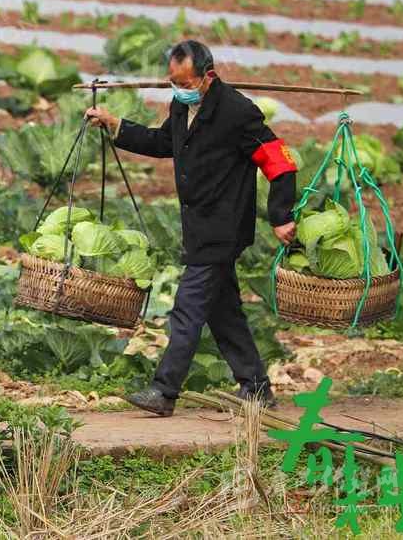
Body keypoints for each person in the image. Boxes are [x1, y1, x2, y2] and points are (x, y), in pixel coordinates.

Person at [85, 40, 297, 416]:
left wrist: (281, 215)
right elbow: (163, 142)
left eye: (184, 82)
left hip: (224, 226)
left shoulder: (237, 111)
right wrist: (116, 125)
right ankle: (257, 387)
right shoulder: (181, 106)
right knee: (223, 311)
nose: (178, 89)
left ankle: (164, 391)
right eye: (172, 82)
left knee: (187, 308)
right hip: (198, 223)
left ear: (207, 76)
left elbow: (278, 161)